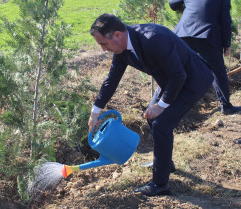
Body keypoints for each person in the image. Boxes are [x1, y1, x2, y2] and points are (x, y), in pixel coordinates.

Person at [88, 14, 214, 196]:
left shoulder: (153, 39)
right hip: (170, 80)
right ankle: (164, 163)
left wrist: (161, 105)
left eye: (104, 44)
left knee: (162, 124)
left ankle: (160, 184)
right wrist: (95, 111)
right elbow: (111, 80)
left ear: (117, 35)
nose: (103, 49)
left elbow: (179, 75)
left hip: (192, 80)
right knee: (151, 116)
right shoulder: (122, 50)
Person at [169, 0, 241, 115]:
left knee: (178, 70)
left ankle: (169, 105)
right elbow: (226, 22)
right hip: (207, 37)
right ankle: (226, 106)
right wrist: (227, 45)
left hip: (182, 35)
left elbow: (172, 3)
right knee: (218, 71)